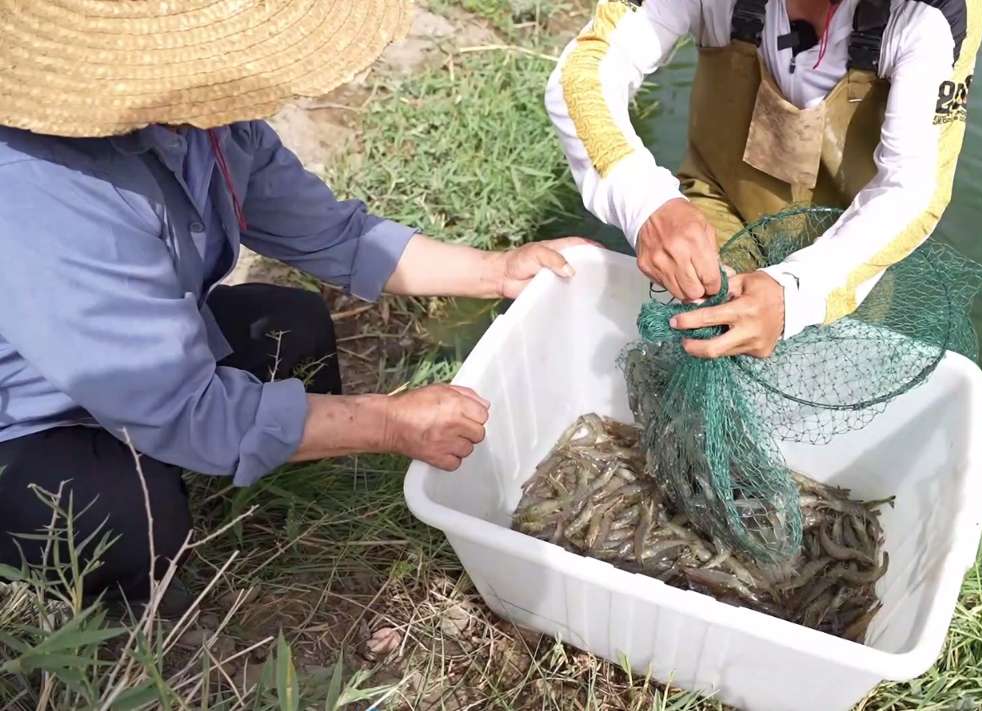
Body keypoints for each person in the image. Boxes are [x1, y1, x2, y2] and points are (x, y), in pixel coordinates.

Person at [0, 0, 586, 611]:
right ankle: (125, 621)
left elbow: (334, 233)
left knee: (293, 326)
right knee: (130, 520)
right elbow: (185, 409)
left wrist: (497, 270)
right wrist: (389, 422)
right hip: (28, 422)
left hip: (139, 363)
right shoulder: (38, 186)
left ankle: (280, 481)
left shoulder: (204, 125)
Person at [547, 0, 982, 358]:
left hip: (844, 241)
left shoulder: (933, 13)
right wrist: (645, 204)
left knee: (820, 377)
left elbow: (910, 189)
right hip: (717, 205)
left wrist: (795, 294)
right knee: (695, 339)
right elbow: (587, 70)